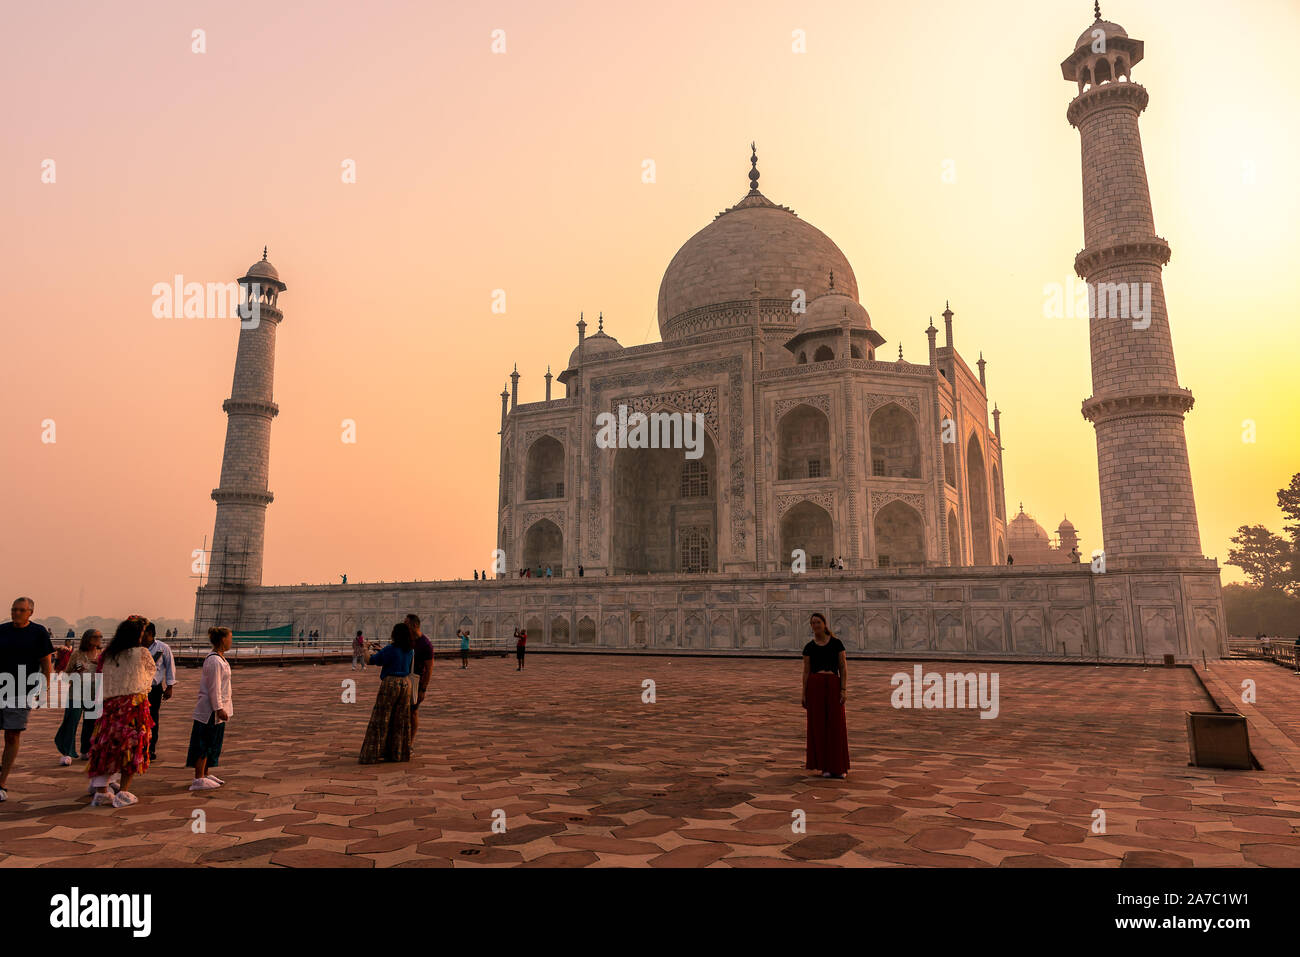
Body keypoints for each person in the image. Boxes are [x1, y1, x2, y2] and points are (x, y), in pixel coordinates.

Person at [86, 615, 156, 807]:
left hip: (109, 706)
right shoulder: (142, 653)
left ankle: (101, 792)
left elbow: (99, 678)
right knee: (133, 748)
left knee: (105, 747)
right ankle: (123, 790)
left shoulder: (107, 654)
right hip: (134, 705)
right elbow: (150, 676)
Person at [0, 596, 55, 802]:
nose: (16, 613)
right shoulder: (2, 630)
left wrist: (44, 687)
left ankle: (2, 782)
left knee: (12, 735)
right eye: (14, 609)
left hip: (22, 689)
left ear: (30, 612)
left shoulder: (38, 633)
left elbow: (46, 662)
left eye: (21, 610)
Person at [801, 612, 849, 780]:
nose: (815, 625)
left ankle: (838, 766)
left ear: (824, 623)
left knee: (836, 726)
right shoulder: (809, 647)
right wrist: (804, 693)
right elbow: (806, 671)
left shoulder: (836, 643)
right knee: (819, 727)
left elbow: (843, 667)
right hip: (815, 687)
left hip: (833, 685)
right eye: (813, 623)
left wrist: (843, 689)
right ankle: (825, 767)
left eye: (818, 622)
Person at [359, 622, 414, 764]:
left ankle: (373, 753)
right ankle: (397, 753)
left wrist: (365, 648)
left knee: (382, 719)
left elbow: (370, 660)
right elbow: (397, 658)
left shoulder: (391, 649)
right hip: (405, 684)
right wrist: (382, 650)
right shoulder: (410, 650)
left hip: (391, 684)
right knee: (400, 720)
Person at [187, 626, 233, 791]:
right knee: (204, 742)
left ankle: (205, 774)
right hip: (209, 710)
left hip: (216, 709)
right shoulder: (214, 660)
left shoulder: (220, 658)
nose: (231, 641)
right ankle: (198, 778)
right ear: (222, 639)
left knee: (212, 743)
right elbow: (215, 687)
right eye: (229, 638)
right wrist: (219, 708)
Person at [55, 629, 102, 765]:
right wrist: (75, 672)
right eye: (95, 636)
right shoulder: (77, 655)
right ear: (88, 639)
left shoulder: (101, 656)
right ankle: (67, 753)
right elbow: (66, 675)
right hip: (75, 693)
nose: (98, 639)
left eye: (100, 636)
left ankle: (86, 750)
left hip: (93, 693)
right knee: (71, 722)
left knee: (90, 723)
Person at [145, 621, 175, 762]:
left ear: (150, 633)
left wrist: (169, 687)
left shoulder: (163, 648)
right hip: (137, 689)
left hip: (154, 689)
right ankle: (139, 747)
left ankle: (150, 748)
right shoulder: (136, 648)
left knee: (152, 718)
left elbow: (170, 668)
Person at [405, 614, 434, 741]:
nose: (404, 626)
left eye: (406, 624)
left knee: (412, 712)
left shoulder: (425, 644)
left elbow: (429, 669)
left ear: (414, 625)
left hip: (415, 683)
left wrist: (423, 689)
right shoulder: (405, 640)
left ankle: (410, 742)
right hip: (401, 681)